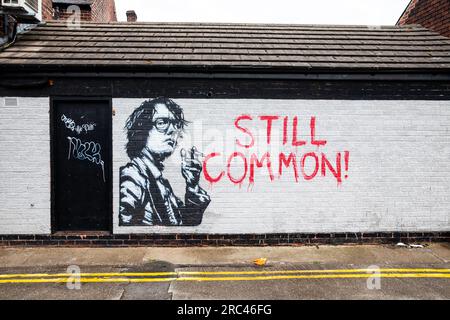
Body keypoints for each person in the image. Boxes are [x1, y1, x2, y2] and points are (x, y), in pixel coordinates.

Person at [119, 97, 210, 226]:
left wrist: (192, 185)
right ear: (141, 130)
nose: (173, 130)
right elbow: (125, 224)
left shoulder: (159, 182)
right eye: (162, 123)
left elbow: (186, 224)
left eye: (175, 124)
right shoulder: (133, 176)